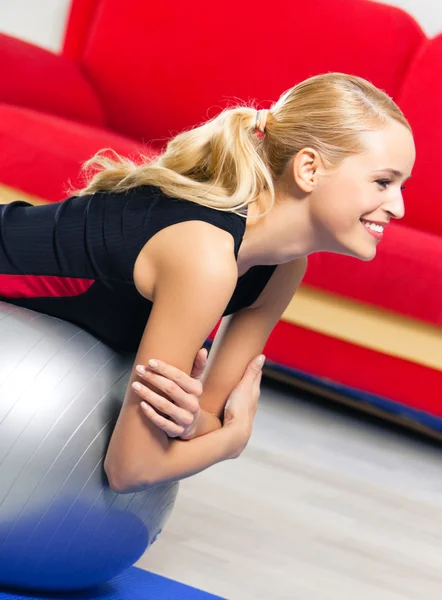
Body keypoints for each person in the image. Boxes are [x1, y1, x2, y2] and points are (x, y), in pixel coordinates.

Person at [0, 73, 415, 494]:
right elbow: (131, 468)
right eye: (383, 181)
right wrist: (230, 441)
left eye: (402, 186)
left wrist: (195, 420)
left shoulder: (282, 270)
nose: (398, 207)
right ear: (308, 169)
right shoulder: (204, 256)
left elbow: (205, 416)